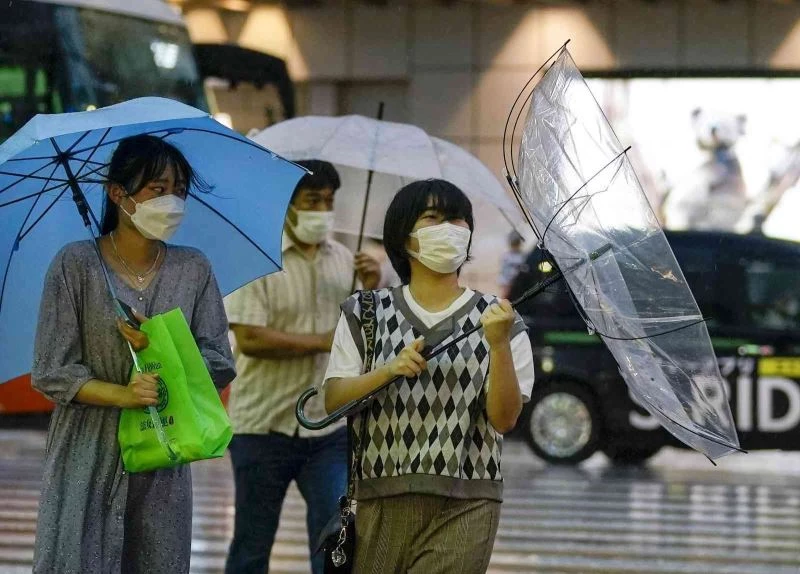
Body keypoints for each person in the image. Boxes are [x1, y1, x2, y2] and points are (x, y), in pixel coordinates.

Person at [31, 134, 236, 573]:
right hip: (86, 455)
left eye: (179, 191)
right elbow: (51, 370)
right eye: (157, 190)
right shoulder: (75, 266)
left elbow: (218, 361)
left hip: (163, 454)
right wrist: (123, 394)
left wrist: (162, 348)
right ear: (117, 193)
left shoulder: (193, 269)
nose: (172, 201)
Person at [324, 179, 535, 573]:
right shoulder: (365, 313)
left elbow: (504, 419)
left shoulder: (500, 320)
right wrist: (388, 371)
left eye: (458, 220)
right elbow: (334, 399)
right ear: (404, 237)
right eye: (433, 218)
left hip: (468, 501)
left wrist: (500, 345)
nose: (450, 229)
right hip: (380, 496)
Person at [223, 160, 381, 574]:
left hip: (326, 428)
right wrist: (323, 342)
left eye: (329, 201)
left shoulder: (345, 260)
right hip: (262, 427)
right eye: (313, 201)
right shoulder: (257, 258)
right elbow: (252, 339)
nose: (322, 211)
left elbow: (366, 339)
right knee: (251, 546)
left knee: (335, 540)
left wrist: (370, 288)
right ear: (288, 205)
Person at [498, 230, 525, 298]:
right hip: (508, 285)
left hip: (521, 285)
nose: (515, 245)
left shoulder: (523, 256)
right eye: (513, 243)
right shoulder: (506, 257)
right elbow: (503, 273)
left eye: (517, 243)